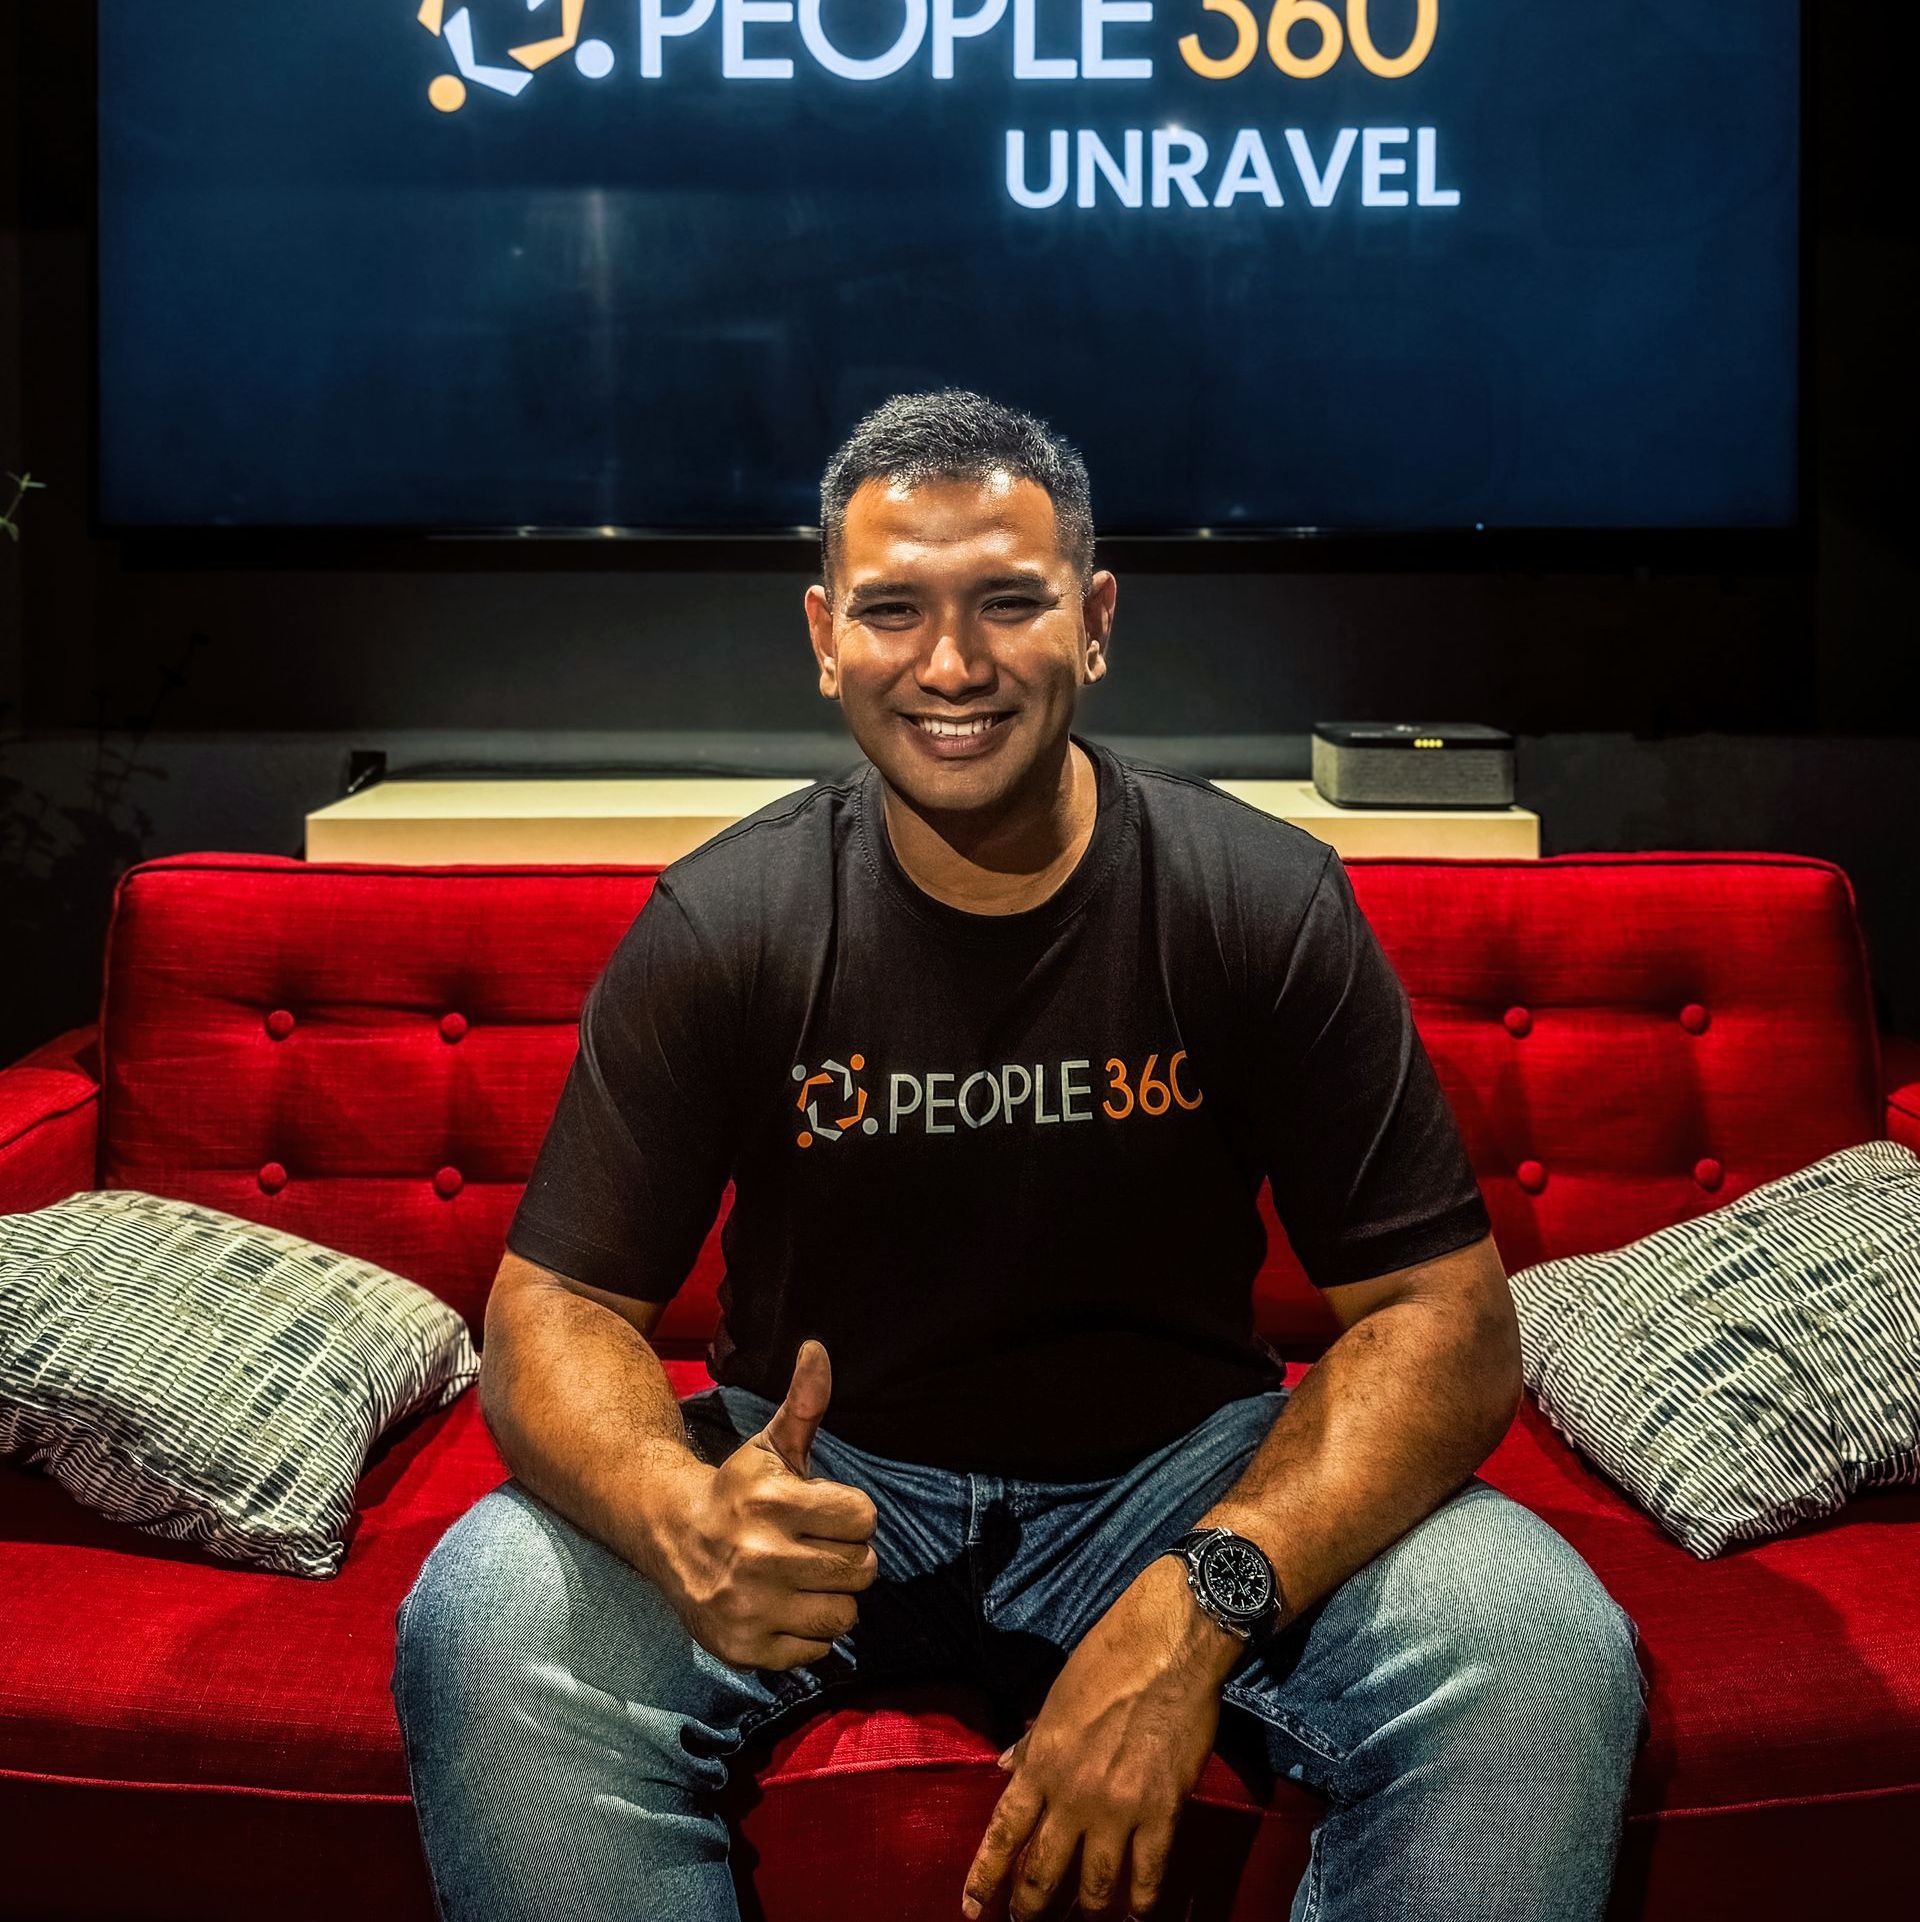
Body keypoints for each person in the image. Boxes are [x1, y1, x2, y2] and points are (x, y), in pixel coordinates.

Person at [390, 390, 1645, 1922]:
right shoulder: (727, 922)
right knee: (491, 1605)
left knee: (1531, 1634)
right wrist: (679, 1507)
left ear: (1097, 619)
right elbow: (551, 1307)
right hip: (827, 1479)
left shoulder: (1259, 901)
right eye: (894, 610)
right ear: (824, 636)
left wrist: (1204, 1595)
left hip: (1182, 1472)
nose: (952, 664)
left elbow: (1447, 1320)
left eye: (1008, 603)